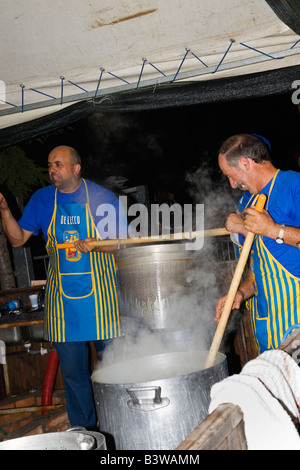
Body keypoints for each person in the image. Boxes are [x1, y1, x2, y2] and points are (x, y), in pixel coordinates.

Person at [0, 145, 128, 429]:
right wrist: (5, 211)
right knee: (73, 375)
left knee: (117, 369)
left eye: (58, 164)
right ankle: (86, 433)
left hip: (101, 300)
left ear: (76, 168)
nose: (52, 170)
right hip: (63, 304)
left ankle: (122, 424)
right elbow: (19, 238)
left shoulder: (101, 197)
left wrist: (97, 245)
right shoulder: (43, 200)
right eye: (49, 166)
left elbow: (121, 242)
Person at [215, 134, 300, 354]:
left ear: (245, 163)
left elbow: (274, 235)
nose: (233, 185)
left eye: (231, 176)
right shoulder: (249, 203)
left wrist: (273, 230)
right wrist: (241, 292)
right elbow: (261, 267)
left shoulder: (294, 185)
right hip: (270, 331)